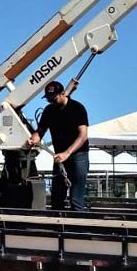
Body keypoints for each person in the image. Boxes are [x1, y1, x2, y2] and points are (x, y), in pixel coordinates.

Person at [27, 81, 89, 211]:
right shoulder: (49, 110)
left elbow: (83, 136)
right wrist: (33, 139)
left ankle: (78, 228)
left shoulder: (77, 108)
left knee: (75, 199)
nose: (50, 101)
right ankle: (57, 228)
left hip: (77, 156)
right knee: (57, 197)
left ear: (62, 94)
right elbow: (40, 131)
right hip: (59, 157)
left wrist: (67, 153)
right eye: (48, 99)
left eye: (53, 98)